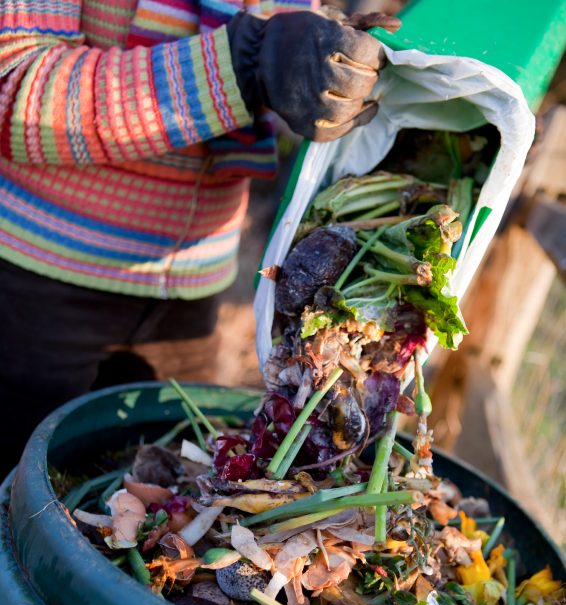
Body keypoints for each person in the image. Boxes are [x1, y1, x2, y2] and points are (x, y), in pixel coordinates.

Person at [0, 0, 398, 475]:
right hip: (38, 288)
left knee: (156, 505)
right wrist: (244, 61)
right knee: (18, 499)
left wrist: (323, 59)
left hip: (192, 296)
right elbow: (15, 90)